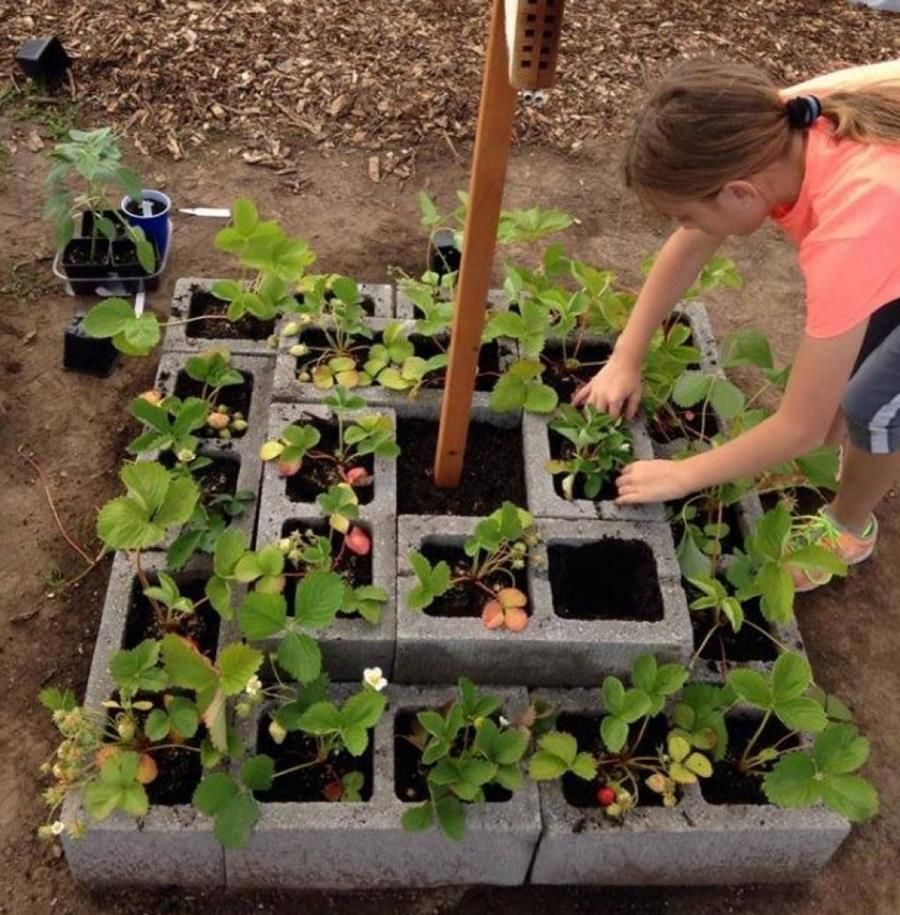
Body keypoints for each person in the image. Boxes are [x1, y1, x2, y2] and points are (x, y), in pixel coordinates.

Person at [573, 59, 900, 590]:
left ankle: (847, 528)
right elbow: (691, 247)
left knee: (876, 402)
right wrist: (625, 356)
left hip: (885, 225)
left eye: (687, 214)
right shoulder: (774, 122)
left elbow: (800, 426)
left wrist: (681, 474)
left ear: (740, 193)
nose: (688, 228)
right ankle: (834, 455)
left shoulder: (853, 226)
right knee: (858, 355)